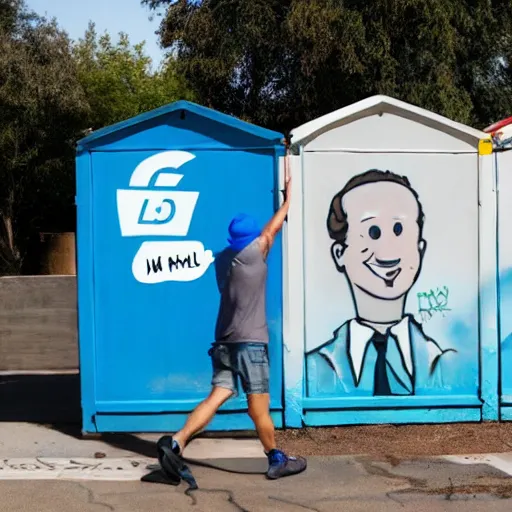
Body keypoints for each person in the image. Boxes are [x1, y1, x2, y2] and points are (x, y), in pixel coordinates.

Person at [164, 171, 306, 480]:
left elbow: (265, 233)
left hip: (224, 341)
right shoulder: (255, 254)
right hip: (251, 344)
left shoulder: (222, 259)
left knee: (217, 394)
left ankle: (177, 441)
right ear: (253, 238)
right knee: (258, 407)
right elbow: (273, 228)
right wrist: (289, 198)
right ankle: (276, 458)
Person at [305, 169, 457, 398]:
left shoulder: (444, 365)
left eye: (399, 230)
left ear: (420, 249)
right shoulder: (315, 367)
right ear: (340, 254)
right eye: (373, 232)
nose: (387, 251)